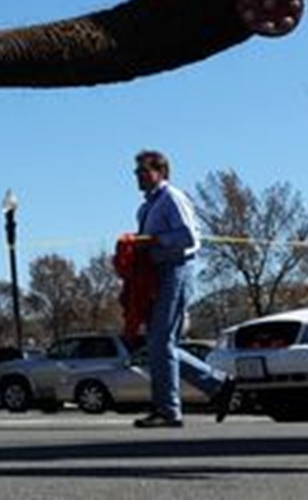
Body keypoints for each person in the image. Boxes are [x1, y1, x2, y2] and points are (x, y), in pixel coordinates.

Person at [130, 149, 238, 427]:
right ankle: (216, 385)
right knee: (160, 343)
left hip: (176, 270)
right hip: (157, 274)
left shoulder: (171, 198)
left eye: (143, 171)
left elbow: (189, 236)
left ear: (160, 172)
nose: (138, 177)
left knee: (160, 342)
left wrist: (154, 240)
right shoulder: (146, 207)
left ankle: (168, 410)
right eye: (136, 172)